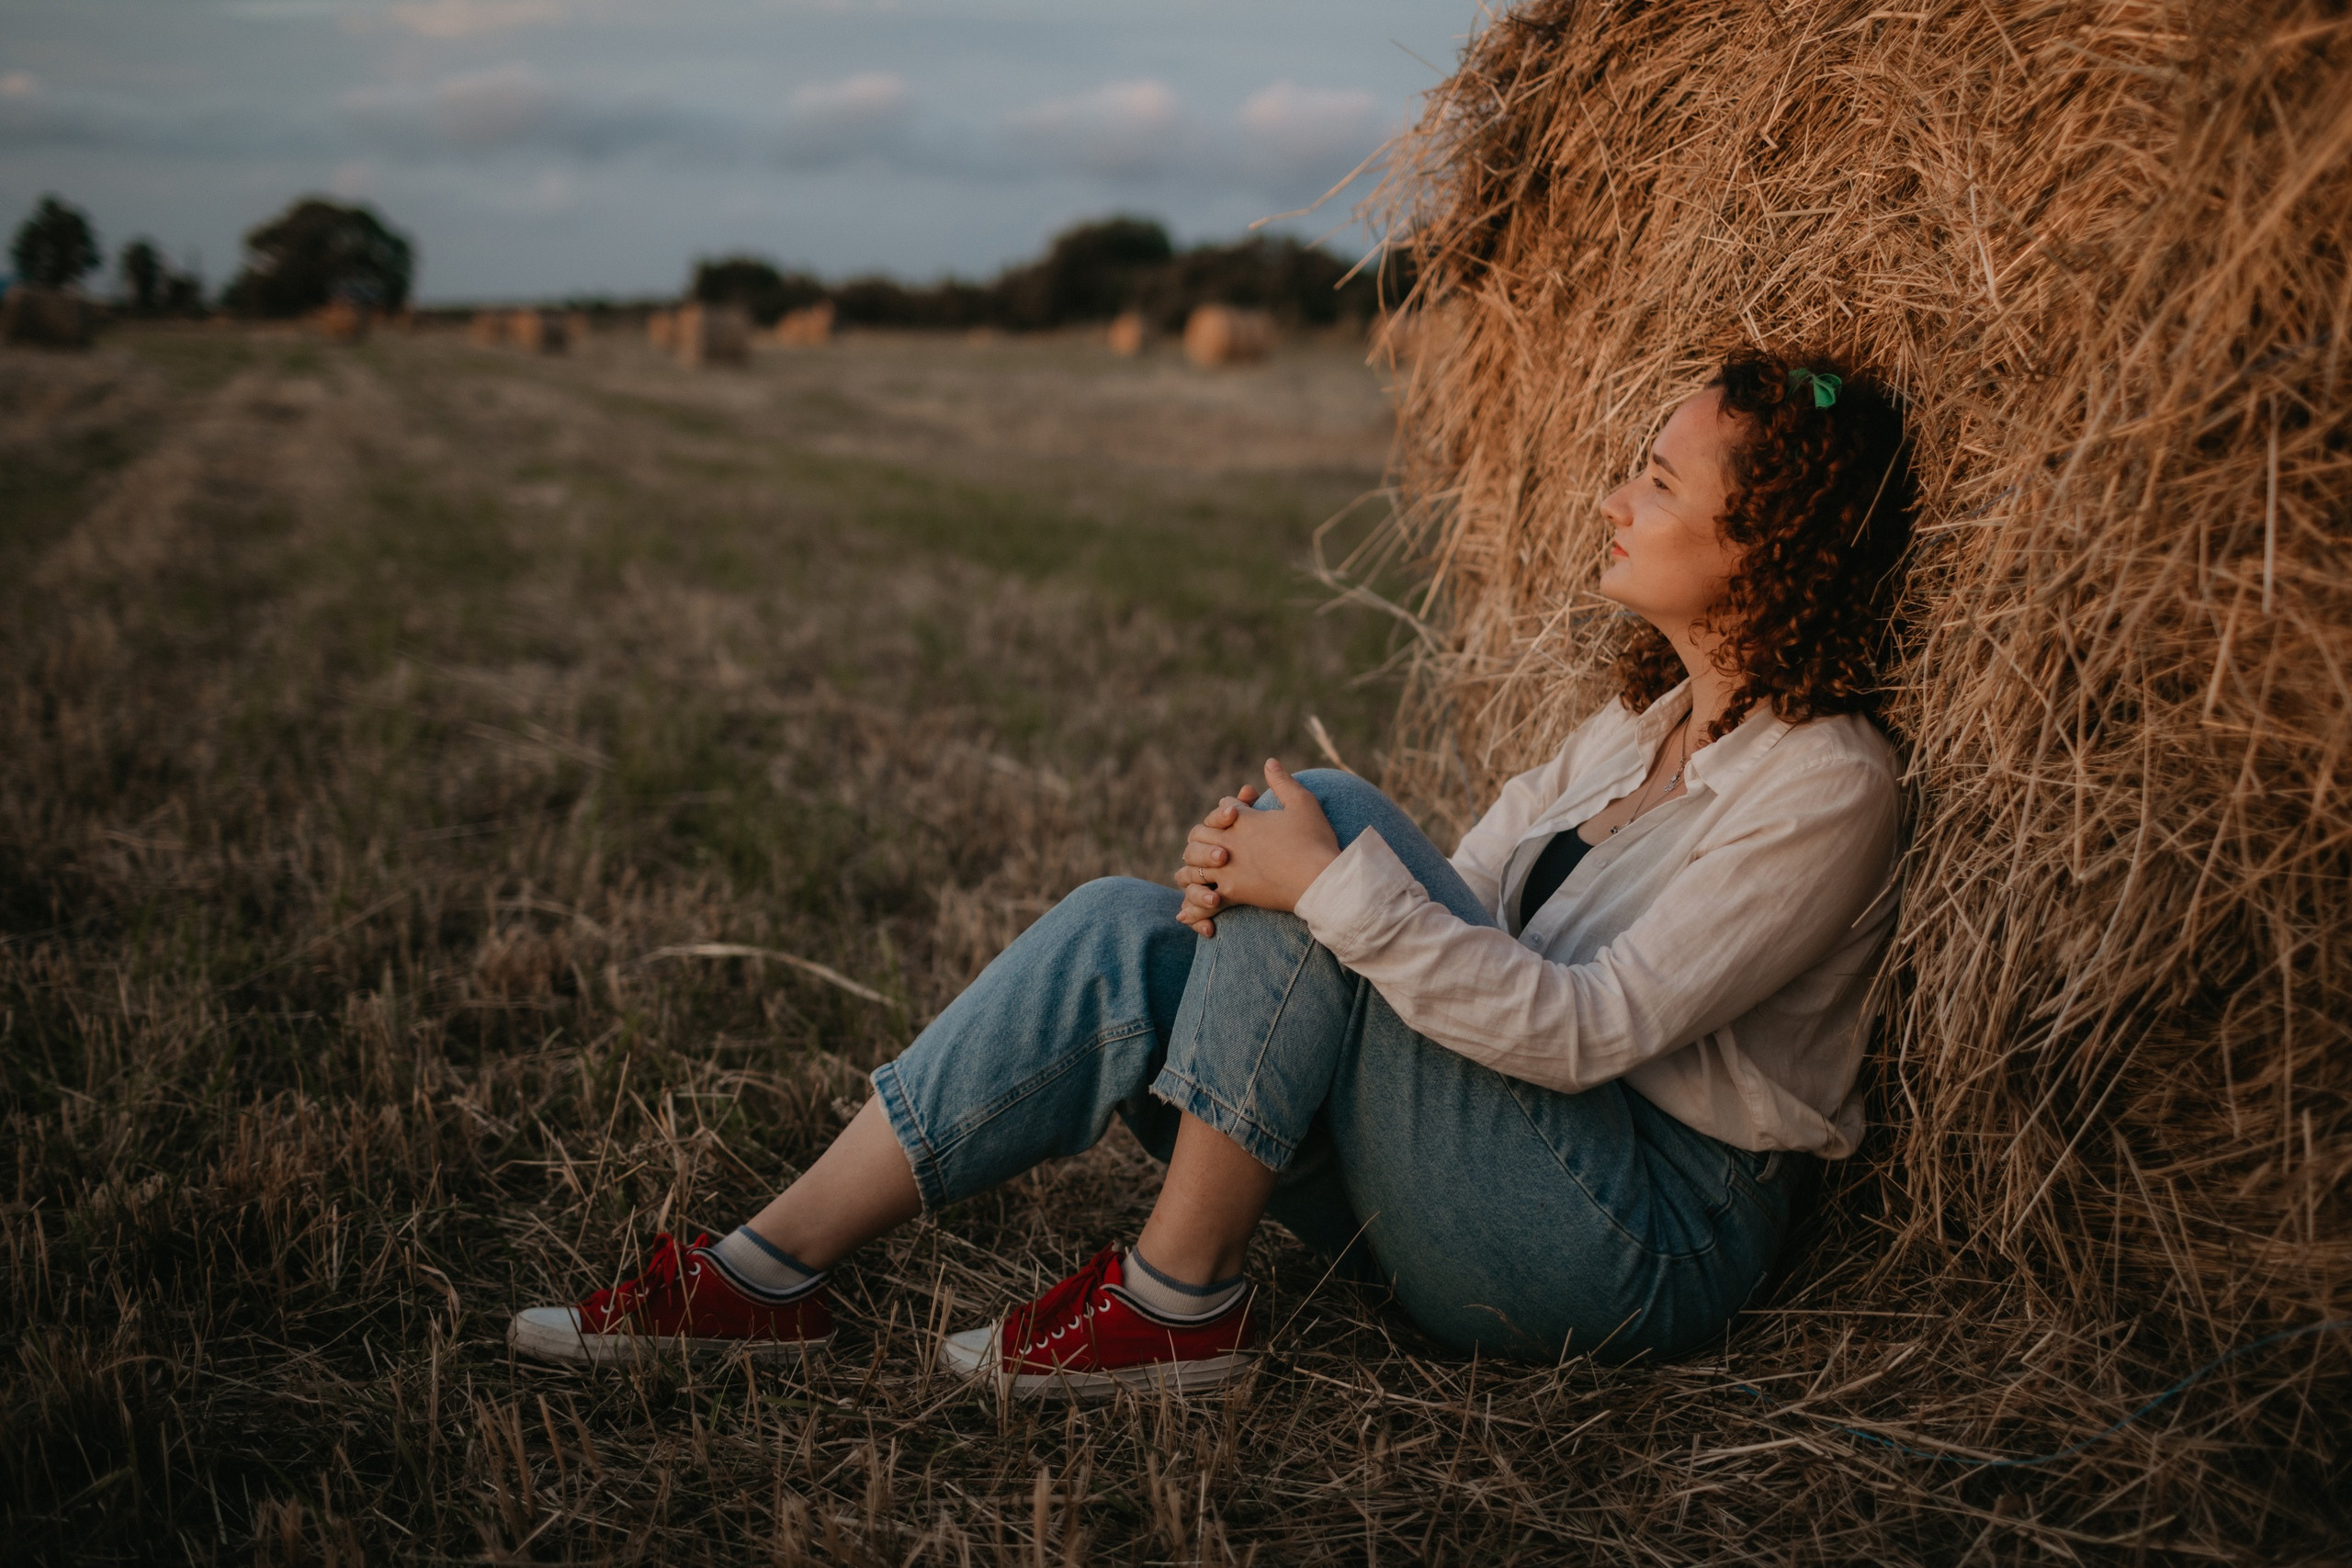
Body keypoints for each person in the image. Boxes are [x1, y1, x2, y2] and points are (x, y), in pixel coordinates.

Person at [509, 348, 1917, 1396]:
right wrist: (1256, 889)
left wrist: (1315, 883)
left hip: (1629, 1243)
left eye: (1659, 483)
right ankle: (763, 1274)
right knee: (1137, 925)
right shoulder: (1640, 729)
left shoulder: (1829, 784)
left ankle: (1172, 1302)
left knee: (1337, 831)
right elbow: (1463, 910)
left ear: (1768, 544)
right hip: (1486, 1171)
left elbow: (1586, 1032)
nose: (1615, 499)